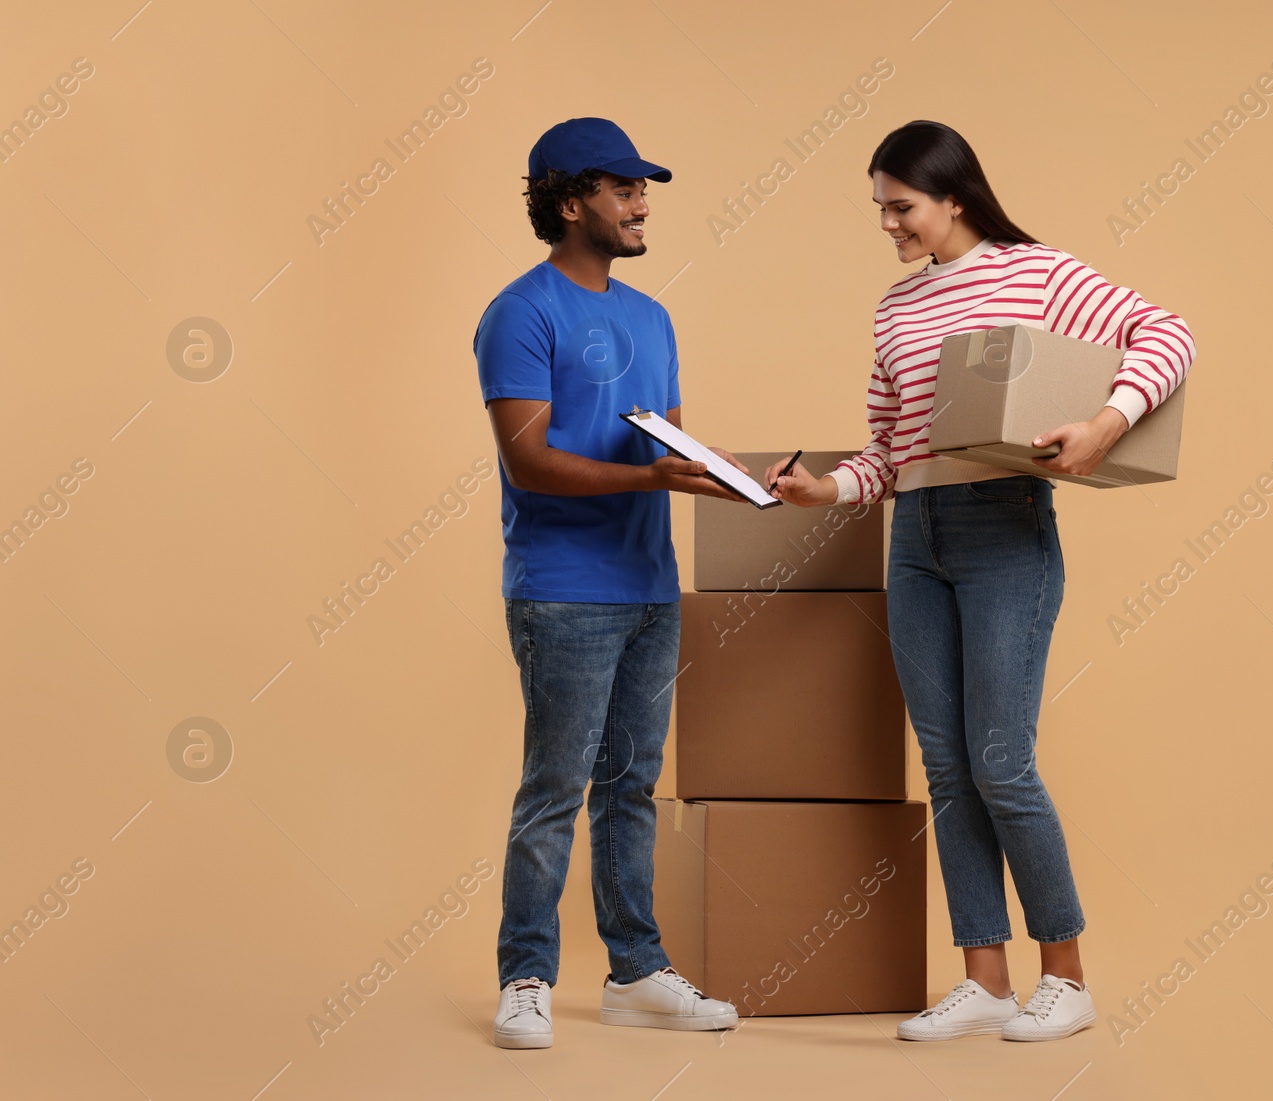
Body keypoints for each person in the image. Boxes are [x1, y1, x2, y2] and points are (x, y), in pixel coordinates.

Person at [766, 120, 1195, 1043]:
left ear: (953, 196)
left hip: (1004, 527)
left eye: (902, 207)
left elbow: (1166, 333)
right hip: (914, 536)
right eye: (880, 209)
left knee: (1002, 761)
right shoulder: (894, 308)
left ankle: (1067, 977)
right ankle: (986, 980)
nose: (889, 225)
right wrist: (823, 490)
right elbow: (888, 450)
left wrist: (1105, 425)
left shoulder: (1036, 273)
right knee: (951, 768)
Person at [473, 117, 744, 1049]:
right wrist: (654, 478)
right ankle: (526, 977)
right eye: (623, 189)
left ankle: (634, 971)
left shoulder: (652, 316)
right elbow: (530, 463)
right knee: (554, 787)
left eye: (643, 190)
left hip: (649, 589)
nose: (640, 205)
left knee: (631, 786)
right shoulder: (522, 312)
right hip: (562, 589)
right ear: (569, 199)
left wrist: (720, 472)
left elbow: (665, 440)